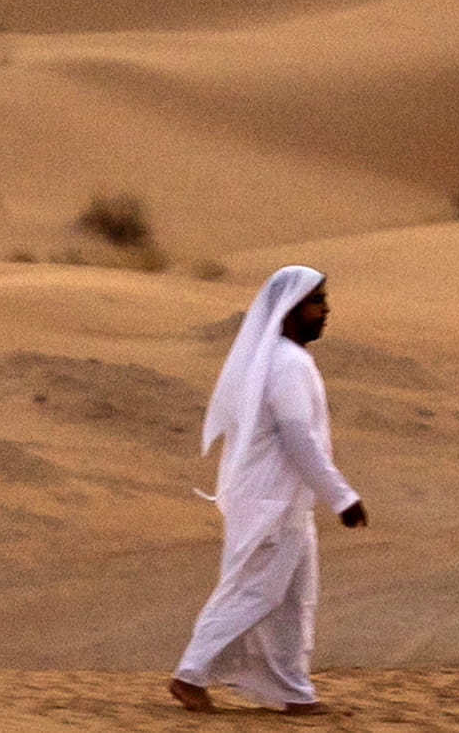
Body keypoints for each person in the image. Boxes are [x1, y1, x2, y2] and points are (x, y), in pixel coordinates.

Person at [169, 265, 364, 713]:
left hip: (288, 504)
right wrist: (342, 497)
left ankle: (293, 692)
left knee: (295, 600)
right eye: (317, 301)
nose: (326, 310)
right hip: (270, 503)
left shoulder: (290, 360)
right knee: (252, 592)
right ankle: (189, 674)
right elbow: (299, 438)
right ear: (292, 309)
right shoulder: (285, 364)